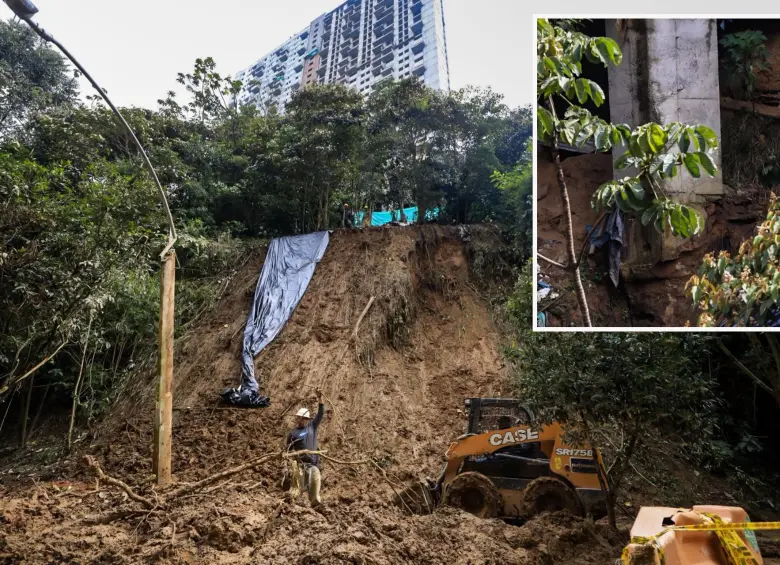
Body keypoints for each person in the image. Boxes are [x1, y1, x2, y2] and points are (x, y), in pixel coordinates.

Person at [285, 388, 325, 507]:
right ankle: (292, 504)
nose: (301, 420)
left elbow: (321, 413)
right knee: (296, 489)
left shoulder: (312, 427)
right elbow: (287, 452)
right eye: (299, 417)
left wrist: (320, 398)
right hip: (299, 465)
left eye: (303, 418)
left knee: (315, 481)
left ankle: (315, 503)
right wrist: (287, 466)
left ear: (307, 419)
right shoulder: (293, 433)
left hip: (312, 464)